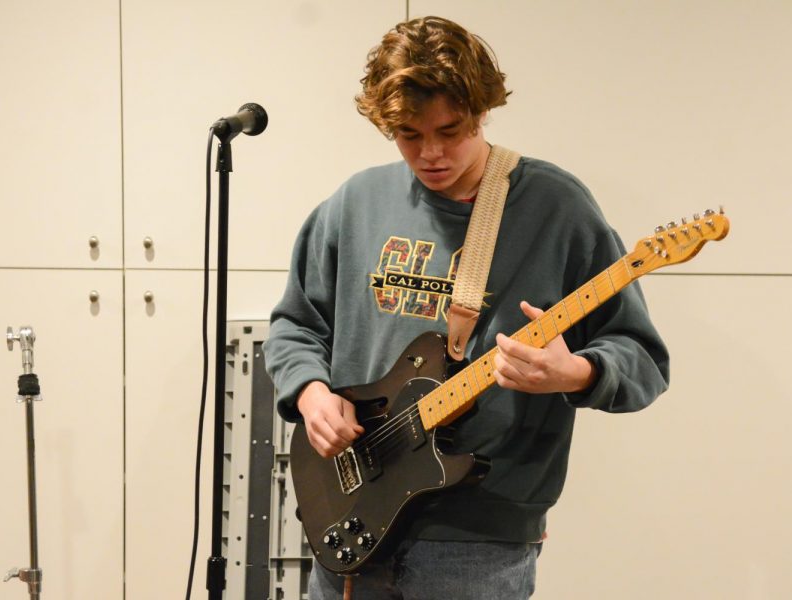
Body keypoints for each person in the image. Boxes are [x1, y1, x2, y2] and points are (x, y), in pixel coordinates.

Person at [264, 15, 669, 600]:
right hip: (350, 518)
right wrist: (310, 392)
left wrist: (575, 372)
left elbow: (640, 357)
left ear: (482, 112)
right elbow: (296, 326)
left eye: (451, 131)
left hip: (479, 542)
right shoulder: (355, 203)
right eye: (408, 134)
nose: (430, 153)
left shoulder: (557, 209)